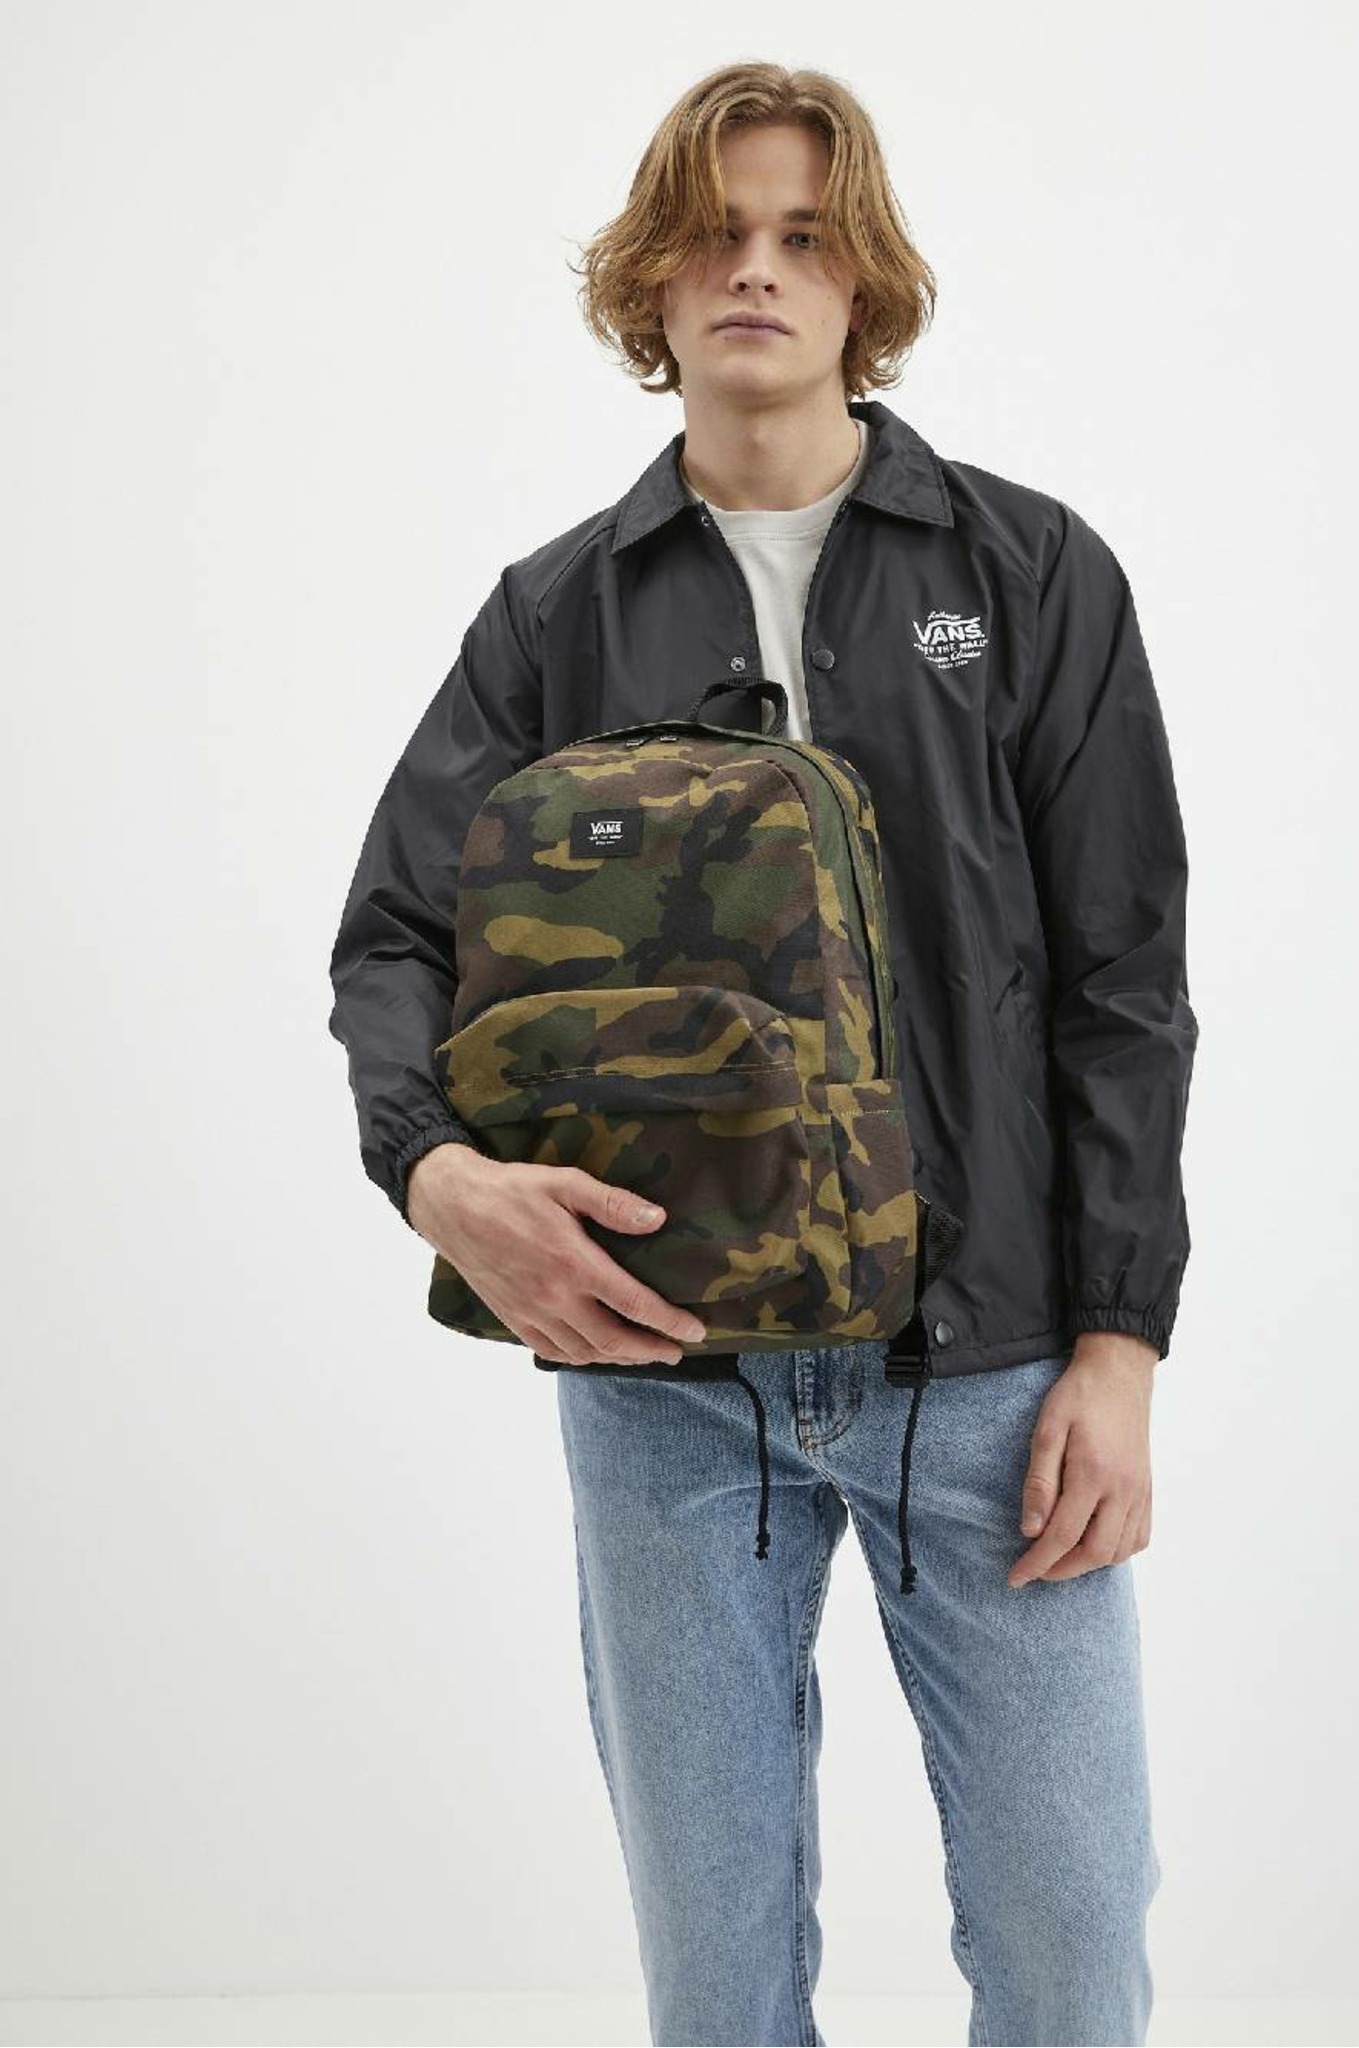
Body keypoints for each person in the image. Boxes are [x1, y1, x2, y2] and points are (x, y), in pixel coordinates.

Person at [327, 59, 1197, 2048]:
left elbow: (1126, 981)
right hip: (659, 1379)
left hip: (990, 1372)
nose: (756, 270)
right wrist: (439, 1177)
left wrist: (1121, 1347)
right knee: (716, 1990)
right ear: (650, 277)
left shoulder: (1029, 574)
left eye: (805, 235)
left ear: (861, 279)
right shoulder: (555, 614)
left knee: (1071, 1957)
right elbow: (395, 935)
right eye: (715, 234)